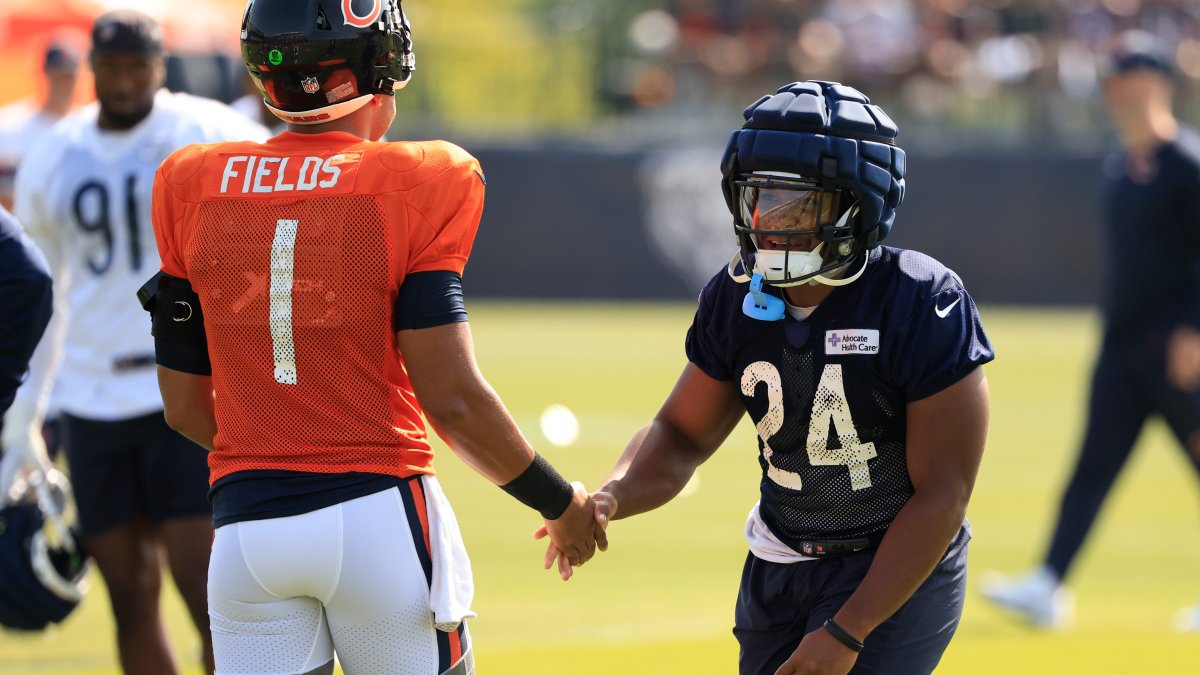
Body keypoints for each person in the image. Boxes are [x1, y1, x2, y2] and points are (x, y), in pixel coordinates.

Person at [145, 1, 602, 673]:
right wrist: (560, 502)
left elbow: (184, 406)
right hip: (375, 516)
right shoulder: (423, 178)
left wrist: (281, 441)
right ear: (381, 65)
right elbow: (451, 398)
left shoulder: (189, 180)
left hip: (246, 530)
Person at [542, 80, 993, 675]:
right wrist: (609, 498)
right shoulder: (734, 296)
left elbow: (944, 494)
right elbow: (681, 434)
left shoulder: (920, 299)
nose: (769, 221)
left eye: (796, 203)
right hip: (780, 561)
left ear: (858, 202)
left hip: (895, 561)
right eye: (758, 198)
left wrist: (848, 628)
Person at [3, 9, 269, 674]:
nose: (125, 82)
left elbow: (282, 166)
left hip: (178, 392)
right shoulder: (55, 155)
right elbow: (46, 291)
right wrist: (27, 415)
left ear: (159, 67)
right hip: (90, 398)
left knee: (211, 593)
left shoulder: (203, 128)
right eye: (113, 68)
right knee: (129, 595)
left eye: (138, 67)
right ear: (93, 69)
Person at [982, 31, 1200, 633]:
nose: (1119, 95)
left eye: (1130, 81)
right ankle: (1048, 584)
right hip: (1123, 346)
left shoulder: (1186, 164)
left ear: (1156, 85)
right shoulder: (1122, 164)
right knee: (1093, 465)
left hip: (1174, 347)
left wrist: (1192, 329)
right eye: (1113, 83)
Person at [0, 36, 83, 212]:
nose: (62, 85)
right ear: (44, 75)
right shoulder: (10, 126)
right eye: (57, 76)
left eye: (68, 77)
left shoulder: (87, 127)